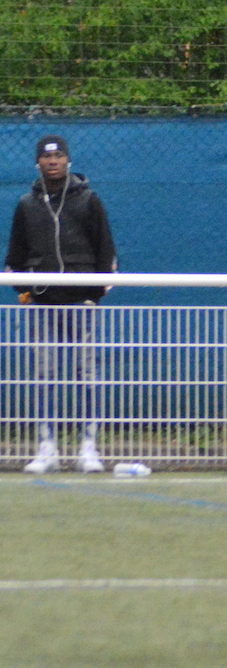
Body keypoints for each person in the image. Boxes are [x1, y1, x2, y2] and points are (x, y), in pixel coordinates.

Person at [6, 135, 117, 474]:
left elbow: (105, 248)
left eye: (59, 156)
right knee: (44, 375)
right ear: (38, 162)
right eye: (46, 157)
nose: (52, 162)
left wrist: (97, 290)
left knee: (87, 374)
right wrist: (23, 290)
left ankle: (88, 447)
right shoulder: (27, 204)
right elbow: (15, 255)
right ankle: (46, 447)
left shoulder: (89, 200)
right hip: (43, 300)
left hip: (81, 299)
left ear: (68, 160)